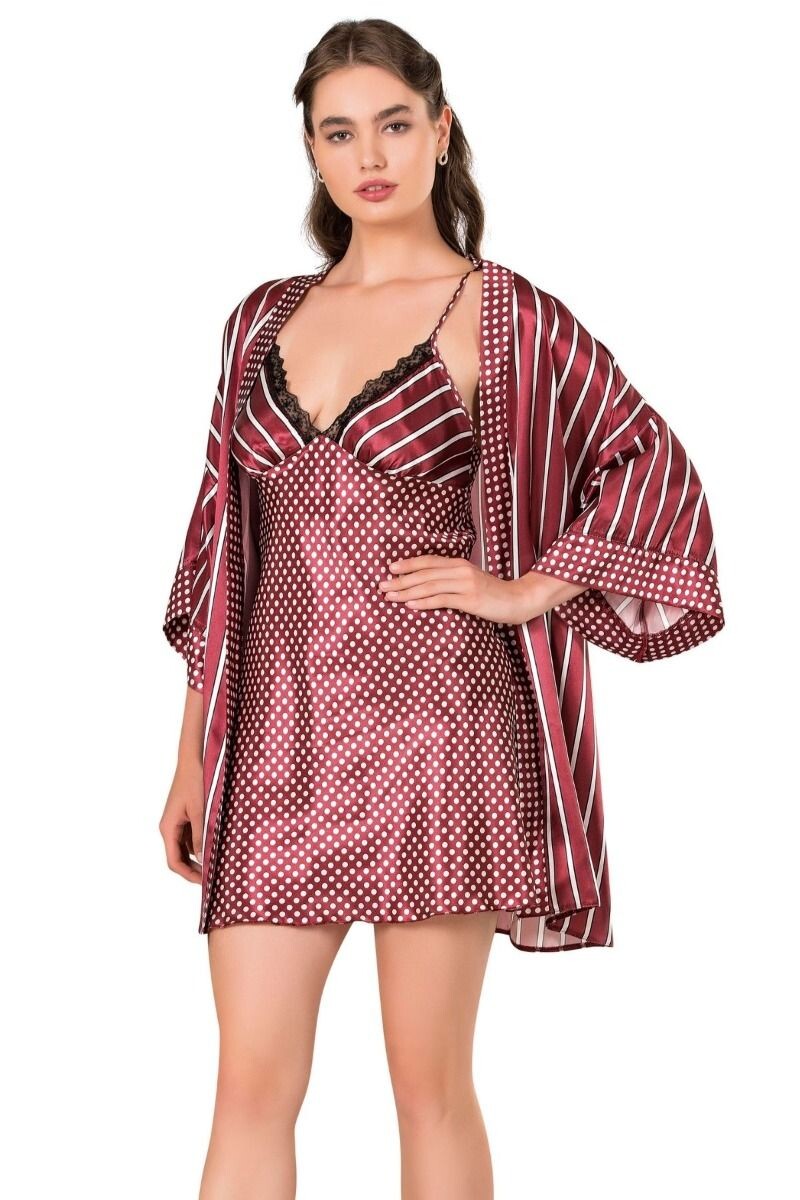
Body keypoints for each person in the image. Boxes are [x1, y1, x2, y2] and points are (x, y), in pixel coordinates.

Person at [159, 18, 726, 1199]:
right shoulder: (257, 319)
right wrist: (189, 758)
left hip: (442, 733)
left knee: (428, 1088)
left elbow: (648, 463)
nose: (368, 155)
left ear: (440, 130)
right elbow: (220, 552)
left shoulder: (503, 314)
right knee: (247, 1087)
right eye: (338, 133)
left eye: (393, 124)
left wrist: (521, 591)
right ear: (310, 151)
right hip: (274, 742)